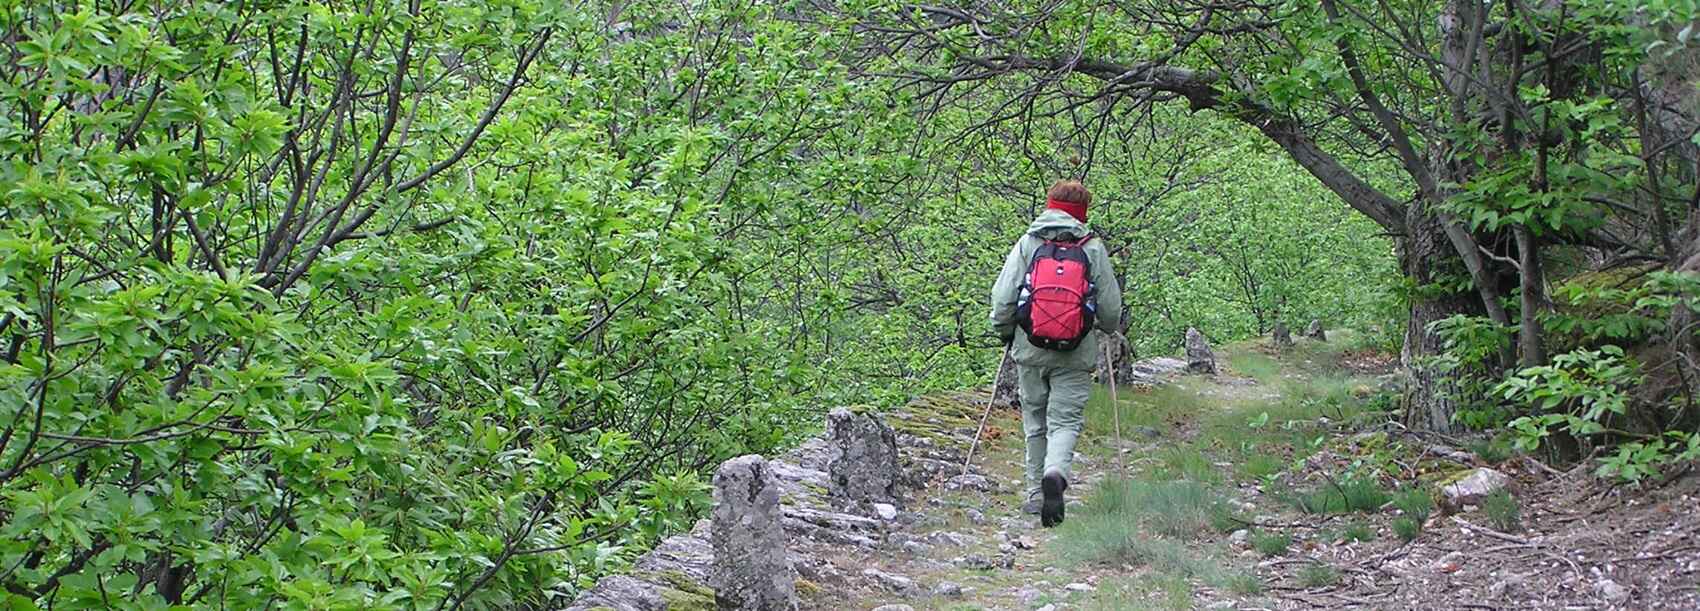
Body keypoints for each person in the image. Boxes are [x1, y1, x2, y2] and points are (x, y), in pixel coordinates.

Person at [989, 180, 1123, 527]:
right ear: (1083, 212)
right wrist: (1107, 329)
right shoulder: (1092, 247)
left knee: (1035, 421)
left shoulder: (1029, 243)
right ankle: (1056, 473)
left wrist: (1005, 331)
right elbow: (1109, 308)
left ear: (1049, 206)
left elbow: (1004, 297)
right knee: (1065, 421)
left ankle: (1036, 494)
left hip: (1029, 349)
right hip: (1075, 354)